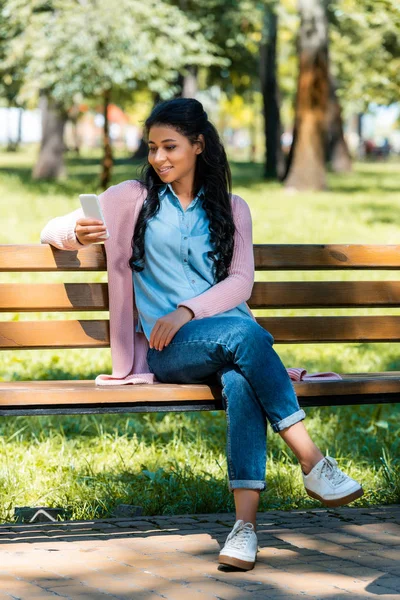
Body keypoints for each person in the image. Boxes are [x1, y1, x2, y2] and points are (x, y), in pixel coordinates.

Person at [41, 97, 363, 571]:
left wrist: (188, 310)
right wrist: (77, 232)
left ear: (199, 145)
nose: (158, 158)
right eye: (152, 147)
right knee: (248, 338)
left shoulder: (232, 207)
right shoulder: (133, 199)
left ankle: (244, 531)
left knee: (240, 377)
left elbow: (240, 282)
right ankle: (313, 462)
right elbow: (51, 228)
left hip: (224, 339)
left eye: (170, 146)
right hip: (169, 351)